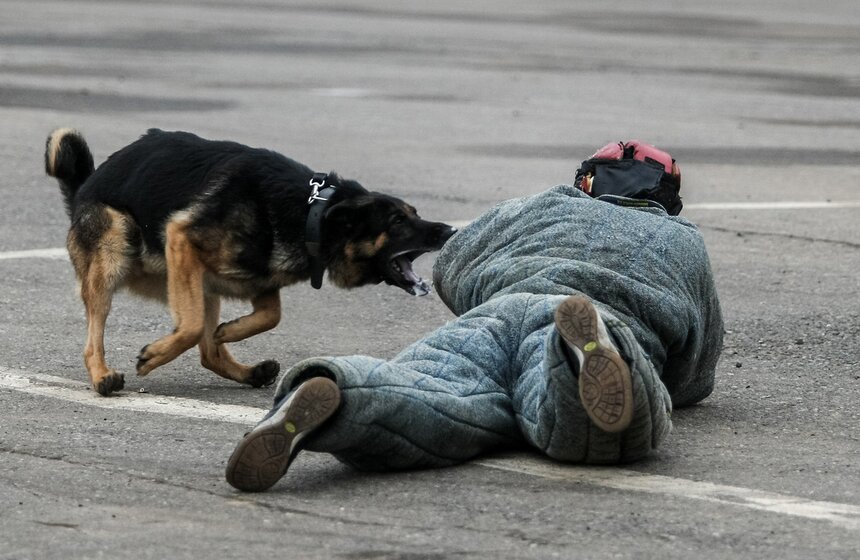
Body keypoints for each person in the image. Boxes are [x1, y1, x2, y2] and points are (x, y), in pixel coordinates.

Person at [224, 142, 724, 492]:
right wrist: (671, 385)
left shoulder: (540, 206)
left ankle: (340, 397)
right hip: (604, 320)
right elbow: (697, 362)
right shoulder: (681, 241)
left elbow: (454, 264)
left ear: (586, 181)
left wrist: (486, 300)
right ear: (669, 200)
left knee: (433, 393)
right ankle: (582, 359)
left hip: (495, 317)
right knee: (607, 427)